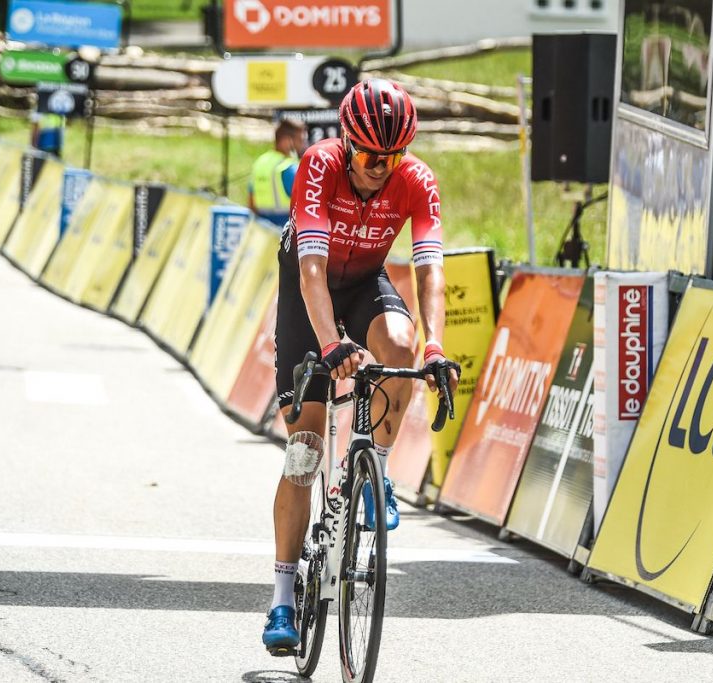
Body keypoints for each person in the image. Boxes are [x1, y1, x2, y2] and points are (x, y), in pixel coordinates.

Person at [261, 78, 460, 654]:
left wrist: (435, 347)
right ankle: (281, 596)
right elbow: (311, 272)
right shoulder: (319, 165)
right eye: (371, 155)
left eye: (392, 156)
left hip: (366, 281)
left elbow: (430, 271)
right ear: (348, 143)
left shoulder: (416, 180)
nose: (380, 166)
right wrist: (330, 345)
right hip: (311, 288)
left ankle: (376, 470)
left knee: (399, 346)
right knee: (304, 452)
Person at [248, 119, 306, 227]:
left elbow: (251, 201)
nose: (302, 145)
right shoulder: (288, 167)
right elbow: (306, 204)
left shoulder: (260, 162)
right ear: (287, 141)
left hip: (263, 228)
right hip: (285, 229)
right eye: (299, 140)